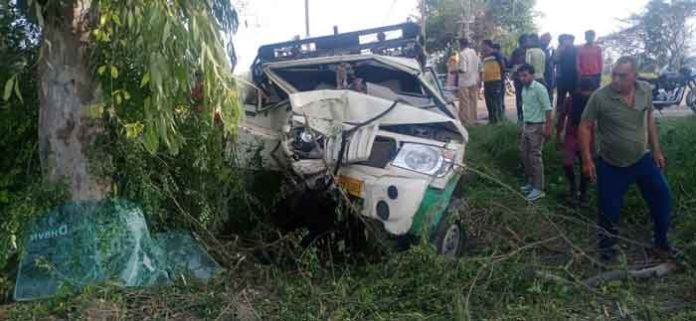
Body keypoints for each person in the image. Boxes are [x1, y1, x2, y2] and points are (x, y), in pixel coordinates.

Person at [579, 56, 672, 263]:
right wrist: (587, 160)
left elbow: (649, 118)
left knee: (662, 197)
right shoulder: (600, 97)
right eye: (614, 75)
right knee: (608, 211)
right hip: (611, 164)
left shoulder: (645, 90)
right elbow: (585, 126)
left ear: (634, 76)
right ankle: (607, 254)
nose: (616, 80)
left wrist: (656, 150)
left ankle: (661, 242)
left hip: (642, 159)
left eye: (622, 76)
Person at [556, 78, 595, 205]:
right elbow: (562, 116)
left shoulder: (595, 101)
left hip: (589, 134)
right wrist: (559, 133)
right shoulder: (570, 100)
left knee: (586, 163)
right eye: (584, 91)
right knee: (567, 163)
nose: (586, 94)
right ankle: (573, 186)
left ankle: (583, 193)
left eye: (588, 92)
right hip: (572, 134)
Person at [518, 64, 552, 201]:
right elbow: (526, 109)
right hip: (527, 125)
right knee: (524, 154)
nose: (522, 78)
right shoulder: (524, 89)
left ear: (532, 75)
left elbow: (548, 109)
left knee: (535, 157)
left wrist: (548, 128)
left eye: (525, 75)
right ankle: (531, 183)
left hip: (537, 126)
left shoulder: (539, 89)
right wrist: (522, 126)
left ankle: (539, 189)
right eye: (520, 76)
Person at [481, 40, 505, 124]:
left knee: (497, 101)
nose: (482, 47)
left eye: (483, 45)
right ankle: (492, 120)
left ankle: (500, 119)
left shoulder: (496, 54)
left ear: (488, 45)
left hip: (496, 81)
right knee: (489, 101)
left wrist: (501, 76)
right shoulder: (484, 56)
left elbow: (502, 65)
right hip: (486, 81)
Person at [457, 38, 480, 125]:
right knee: (473, 101)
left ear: (461, 44)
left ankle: (465, 121)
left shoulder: (462, 54)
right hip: (474, 79)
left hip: (464, 81)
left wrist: (455, 70)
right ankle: (473, 119)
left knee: (464, 102)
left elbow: (463, 69)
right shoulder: (473, 52)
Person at [555, 34, 578, 110]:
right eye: (565, 40)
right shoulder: (559, 49)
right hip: (561, 78)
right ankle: (558, 118)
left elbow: (578, 63)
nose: (566, 41)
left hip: (573, 78)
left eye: (569, 40)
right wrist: (561, 51)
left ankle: (572, 118)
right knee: (560, 98)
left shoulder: (575, 49)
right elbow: (555, 60)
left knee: (573, 99)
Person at [509, 34, 528, 122]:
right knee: (528, 98)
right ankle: (525, 118)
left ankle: (520, 118)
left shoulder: (515, 51)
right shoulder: (529, 51)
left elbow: (510, 64)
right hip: (527, 79)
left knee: (519, 98)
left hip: (518, 78)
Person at [540, 33, 555, 102]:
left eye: (549, 40)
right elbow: (546, 61)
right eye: (546, 40)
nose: (547, 42)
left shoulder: (550, 49)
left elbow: (553, 62)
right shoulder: (539, 49)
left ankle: (549, 107)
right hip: (541, 73)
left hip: (550, 73)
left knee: (550, 91)